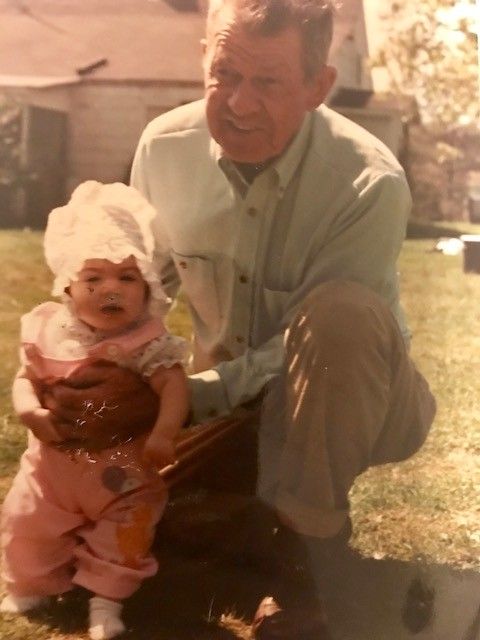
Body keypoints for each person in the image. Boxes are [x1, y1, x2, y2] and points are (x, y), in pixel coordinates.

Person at [42, 0, 436, 635]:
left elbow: (318, 347)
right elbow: (144, 296)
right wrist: (99, 379)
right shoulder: (163, 148)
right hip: (221, 409)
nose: (239, 103)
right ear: (203, 58)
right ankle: (240, 523)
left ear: (318, 86)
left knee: (340, 317)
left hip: (359, 398)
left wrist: (188, 397)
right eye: (225, 73)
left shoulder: (368, 182)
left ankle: (305, 561)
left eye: (268, 82)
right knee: (87, 548)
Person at [0, 181, 189, 640]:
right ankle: (34, 581)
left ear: (147, 289)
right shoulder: (49, 331)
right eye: (94, 278)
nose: (111, 290)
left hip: (123, 471)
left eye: (127, 278)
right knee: (27, 522)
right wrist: (30, 413)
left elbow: (173, 386)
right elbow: (27, 378)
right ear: (68, 285)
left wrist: (164, 432)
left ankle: (106, 600)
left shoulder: (146, 343)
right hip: (52, 471)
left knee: (125, 533)